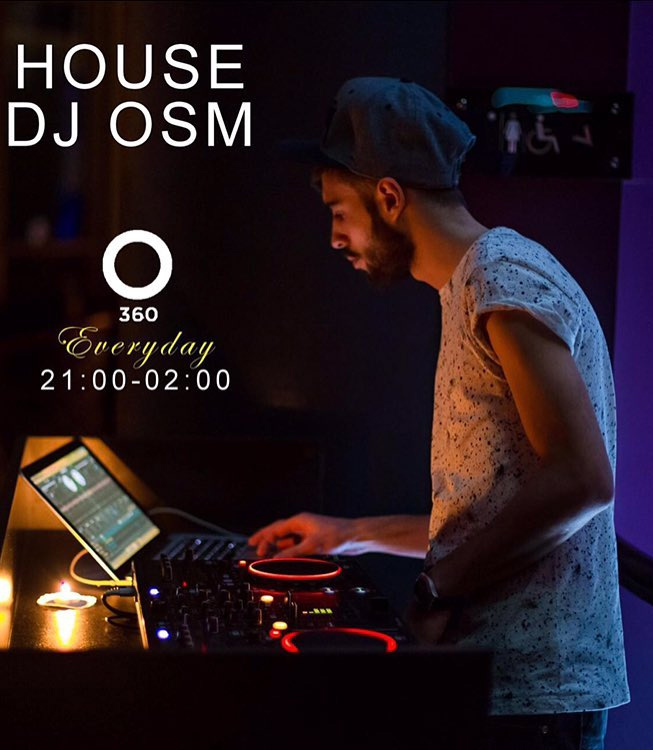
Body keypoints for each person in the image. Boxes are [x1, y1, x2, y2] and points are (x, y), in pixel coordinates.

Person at [249, 78, 628, 748]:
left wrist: (436, 590)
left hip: (533, 697)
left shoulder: (501, 276)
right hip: (507, 689)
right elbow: (494, 513)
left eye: (338, 211)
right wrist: (347, 534)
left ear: (389, 198)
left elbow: (582, 481)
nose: (334, 238)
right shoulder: (475, 283)